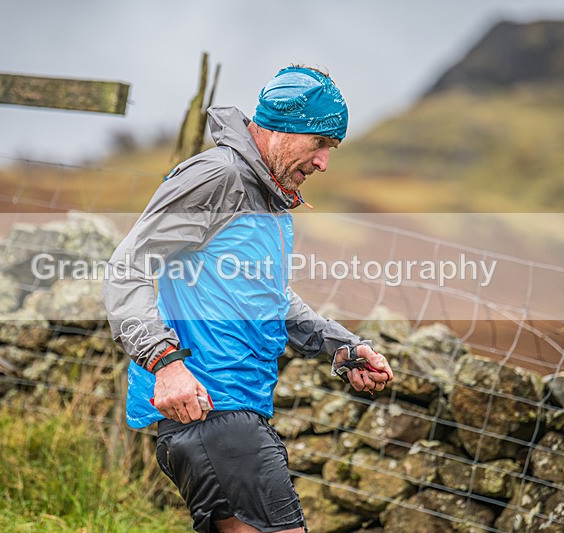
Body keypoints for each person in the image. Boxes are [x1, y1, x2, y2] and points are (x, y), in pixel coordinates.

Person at [103, 65, 393, 533]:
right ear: (283, 128)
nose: (323, 162)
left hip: (226, 413)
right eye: (319, 143)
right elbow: (128, 267)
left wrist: (339, 346)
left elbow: (269, 296)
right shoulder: (216, 178)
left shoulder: (268, 195)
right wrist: (165, 363)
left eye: (331, 150)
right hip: (211, 408)